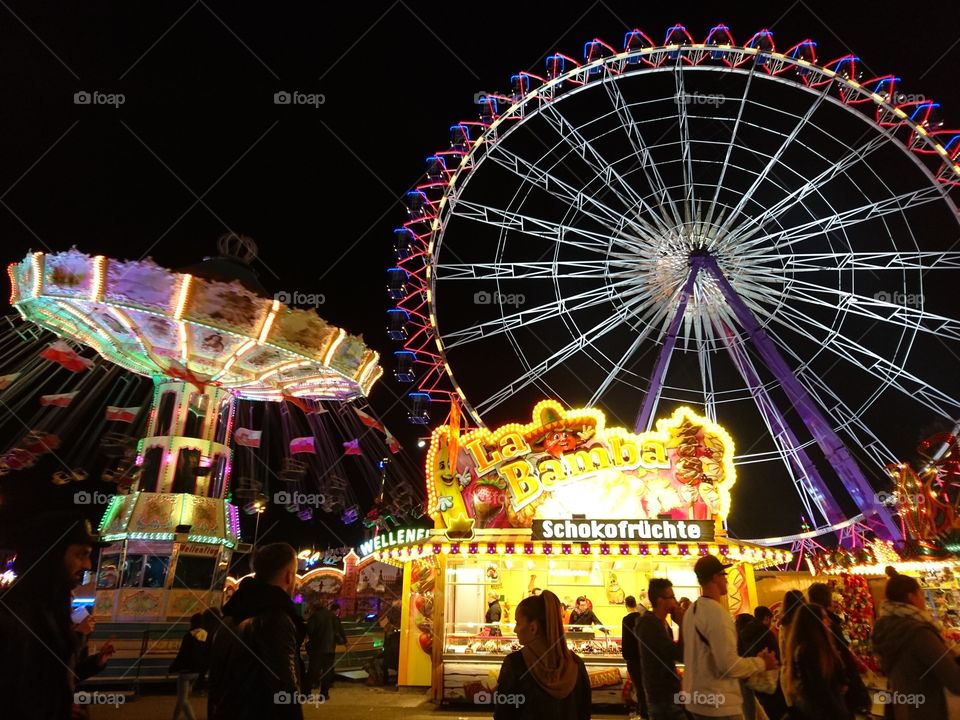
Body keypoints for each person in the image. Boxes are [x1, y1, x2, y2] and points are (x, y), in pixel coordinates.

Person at [0, 512, 116, 720]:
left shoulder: (50, 610)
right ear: (52, 556)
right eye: (81, 555)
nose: (88, 565)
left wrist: (95, 662)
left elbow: (54, 675)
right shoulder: (15, 617)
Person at [208, 542, 305, 720]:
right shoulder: (275, 620)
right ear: (290, 577)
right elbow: (284, 688)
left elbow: (215, 683)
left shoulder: (228, 618)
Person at [682, 555, 777, 720]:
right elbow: (728, 665)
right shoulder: (718, 614)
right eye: (723, 575)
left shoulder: (691, 611)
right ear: (715, 577)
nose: (726, 580)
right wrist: (762, 663)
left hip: (697, 700)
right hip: (720, 704)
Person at [872, 573, 960, 720]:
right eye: (921, 594)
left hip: (903, 708)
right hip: (926, 710)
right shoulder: (918, 633)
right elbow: (954, 681)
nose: (923, 600)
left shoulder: (885, 628)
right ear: (911, 597)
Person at [494, 590, 591, 719]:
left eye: (518, 623)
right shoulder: (576, 664)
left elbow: (503, 714)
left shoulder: (515, 664)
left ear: (533, 627)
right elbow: (584, 714)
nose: (515, 629)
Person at [780, 603, 852, 719]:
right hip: (824, 711)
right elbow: (819, 687)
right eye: (824, 617)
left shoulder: (819, 646)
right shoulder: (809, 650)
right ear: (814, 622)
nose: (828, 621)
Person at [639, 578, 686, 720]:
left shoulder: (660, 624)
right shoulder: (650, 626)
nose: (675, 601)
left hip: (665, 695)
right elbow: (680, 654)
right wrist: (682, 623)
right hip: (663, 697)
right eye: (671, 597)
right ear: (660, 600)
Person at [169, 612, 209, 720]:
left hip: (186, 671)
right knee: (182, 698)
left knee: (183, 699)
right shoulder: (206, 635)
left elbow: (182, 654)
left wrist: (172, 668)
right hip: (198, 671)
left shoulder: (189, 636)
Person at [305, 600, 347, 699]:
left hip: (317, 648)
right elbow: (338, 630)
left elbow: (309, 630)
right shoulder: (332, 616)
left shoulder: (315, 616)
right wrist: (343, 641)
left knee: (312, 671)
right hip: (330, 649)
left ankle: (306, 693)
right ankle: (324, 694)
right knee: (327, 672)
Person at [621, 595, 648, 720]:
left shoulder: (626, 620)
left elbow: (626, 641)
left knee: (638, 687)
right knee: (643, 686)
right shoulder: (642, 617)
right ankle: (642, 711)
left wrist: (626, 657)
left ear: (626, 606)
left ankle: (642, 713)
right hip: (642, 657)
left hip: (632, 659)